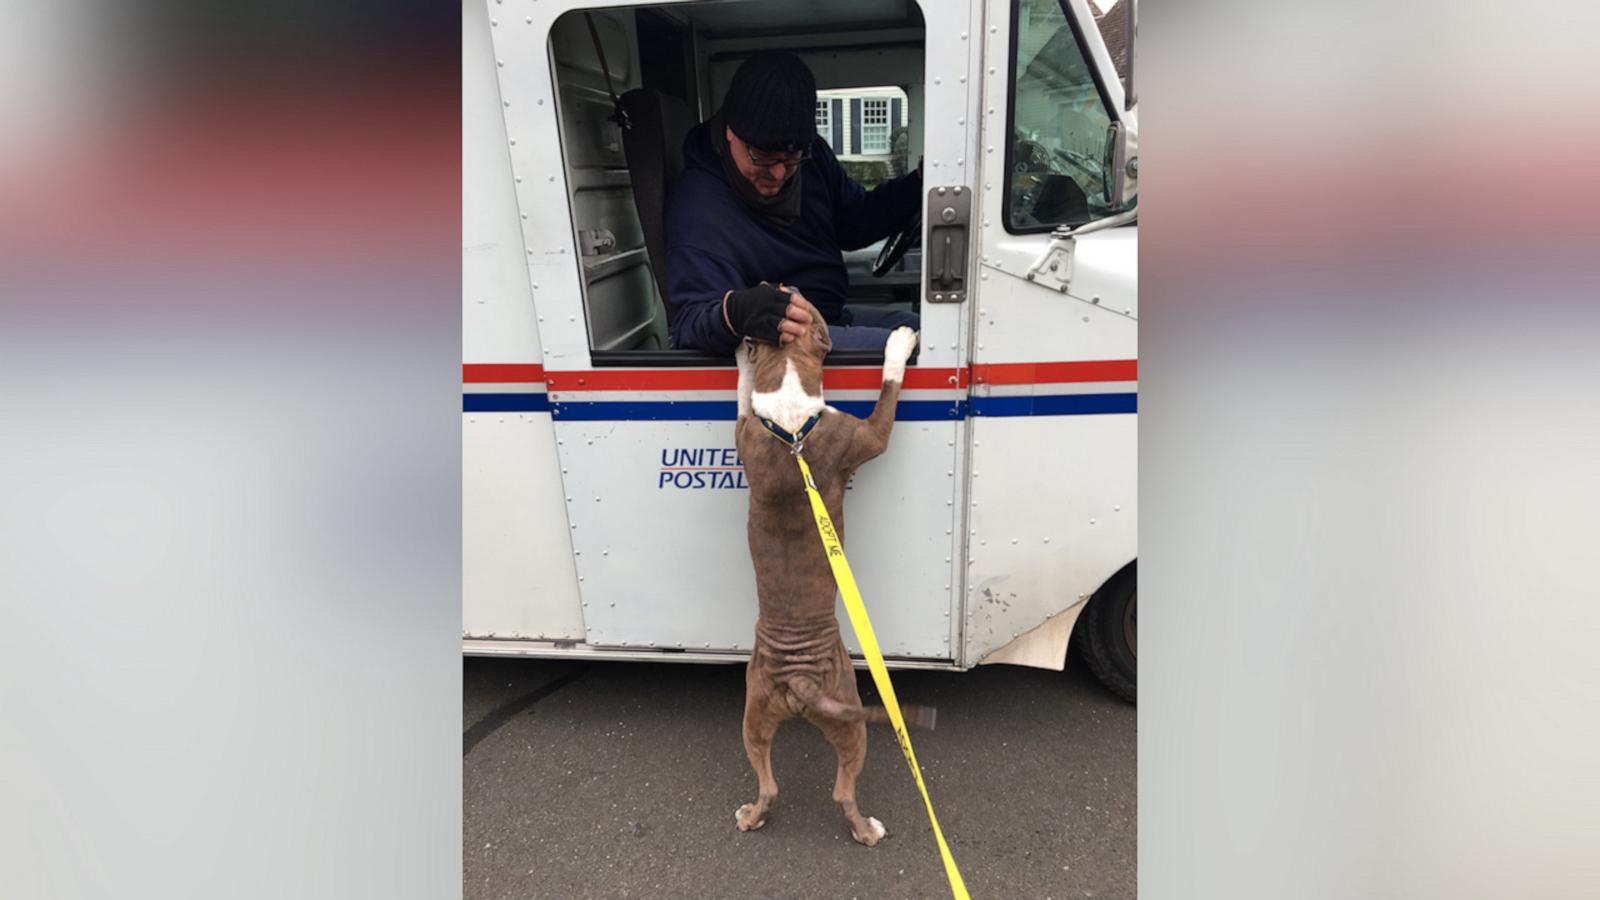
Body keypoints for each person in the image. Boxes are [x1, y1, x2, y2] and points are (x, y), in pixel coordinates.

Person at [662, 51, 922, 355]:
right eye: (764, 157)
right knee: (922, 349)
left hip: (830, 316)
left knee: (921, 327)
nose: (779, 173)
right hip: (781, 346)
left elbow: (856, 222)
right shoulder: (698, 207)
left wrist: (918, 184)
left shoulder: (812, 158)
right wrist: (737, 312)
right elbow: (689, 322)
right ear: (731, 130)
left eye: (791, 159)